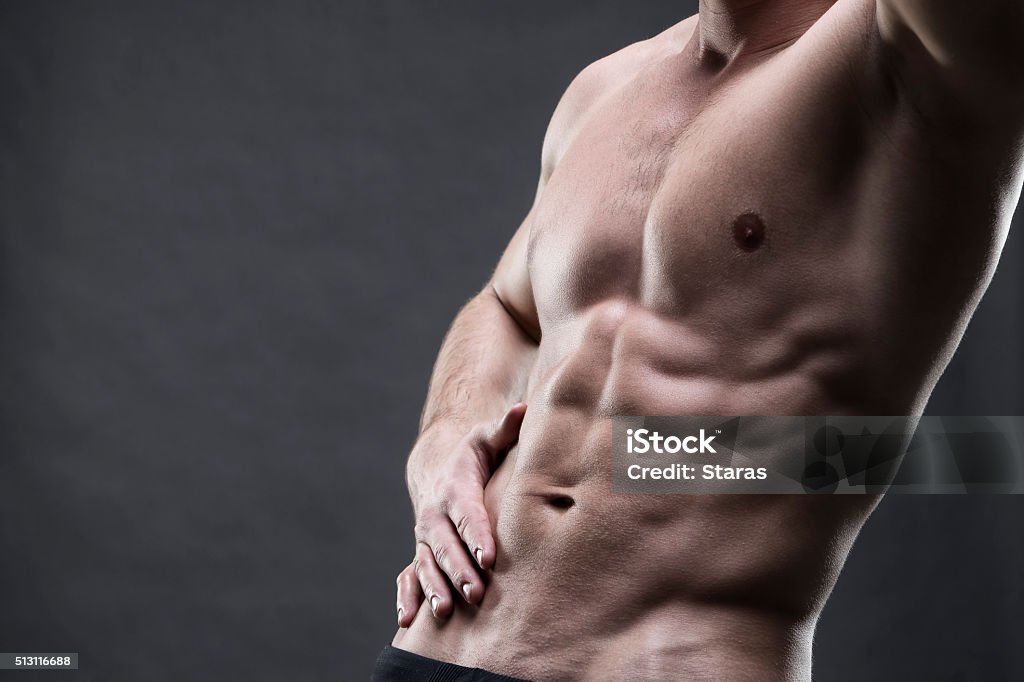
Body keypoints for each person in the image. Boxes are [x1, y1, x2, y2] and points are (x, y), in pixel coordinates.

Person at [375, 0, 1024, 679]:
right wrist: (444, 437)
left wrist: (653, 456)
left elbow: (912, 457)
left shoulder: (912, 57)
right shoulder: (605, 87)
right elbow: (507, 307)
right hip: (433, 655)